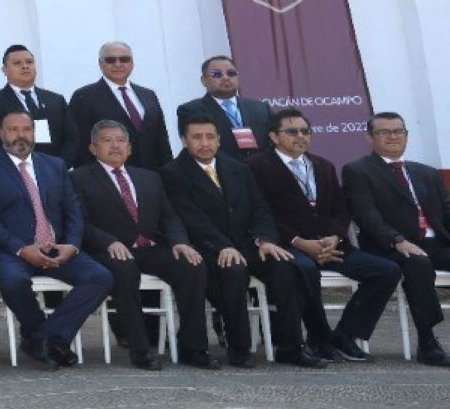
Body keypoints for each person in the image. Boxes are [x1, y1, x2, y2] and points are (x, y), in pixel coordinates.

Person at [162, 116, 323, 368]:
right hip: (208, 247)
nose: (204, 143)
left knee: (285, 266)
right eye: (197, 137)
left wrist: (266, 240)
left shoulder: (238, 167)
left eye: (210, 137)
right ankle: (239, 348)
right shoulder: (172, 173)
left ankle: (291, 347)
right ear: (184, 141)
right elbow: (189, 217)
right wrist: (221, 246)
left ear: (218, 140)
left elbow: (260, 208)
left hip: (247, 242)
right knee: (233, 271)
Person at [248, 107, 398, 363]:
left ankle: (346, 335)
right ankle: (319, 339)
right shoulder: (255, 167)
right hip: (289, 245)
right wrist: (299, 242)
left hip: (331, 246)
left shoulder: (324, 166)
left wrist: (334, 238)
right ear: (273, 136)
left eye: (305, 131)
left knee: (386, 271)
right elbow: (259, 212)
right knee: (304, 269)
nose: (300, 136)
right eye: (292, 131)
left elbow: (341, 210)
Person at [0, 110, 111, 368]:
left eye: (26, 129)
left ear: (34, 133)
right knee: (13, 281)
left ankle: (45, 338)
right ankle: (46, 337)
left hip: (56, 247)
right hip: (9, 250)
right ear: (1, 133)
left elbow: (73, 211)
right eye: (13, 129)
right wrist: (21, 249)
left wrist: (72, 245)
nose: (20, 135)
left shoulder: (54, 165)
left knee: (100, 276)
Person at [69, 120, 213, 370]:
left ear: (130, 148)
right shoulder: (78, 178)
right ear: (93, 148)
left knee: (192, 266)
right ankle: (140, 349)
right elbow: (79, 222)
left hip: (150, 247)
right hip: (109, 249)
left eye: (121, 140)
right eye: (106, 140)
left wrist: (180, 242)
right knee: (124, 270)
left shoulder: (149, 177)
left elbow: (169, 217)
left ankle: (193, 346)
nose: (115, 146)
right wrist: (108, 241)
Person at [344, 111, 450, 366]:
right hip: (390, 245)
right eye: (384, 132)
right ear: (369, 138)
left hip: (436, 242)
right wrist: (397, 239)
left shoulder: (426, 173)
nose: (392, 136)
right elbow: (367, 215)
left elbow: (446, 210)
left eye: (398, 131)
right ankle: (427, 342)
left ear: (406, 135)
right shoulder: (358, 171)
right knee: (417, 264)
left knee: (422, 258)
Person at [67, 42, 173, 171]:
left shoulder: (148, 95)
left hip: (151, 176)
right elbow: (80, 143)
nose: (118, 64)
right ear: (100, 64)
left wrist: (168, 173)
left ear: (132, 63)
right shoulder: (84, 96)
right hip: (107, 178)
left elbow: (161, 139)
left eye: (124, 59)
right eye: (111, 60)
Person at [0, 45, 75, 162]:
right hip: (16, 171)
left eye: (29, 62)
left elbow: (72, 138)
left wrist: (59, 166)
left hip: (56, 172)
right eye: (17, 63)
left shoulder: (56, 100)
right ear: (4, 70)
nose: (25, 66)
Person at [174, 56, 271, 160]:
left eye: (231, 73)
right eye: (217, 74)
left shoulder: (261, 108)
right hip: (221, 172)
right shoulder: (191, 110)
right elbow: (195, 148)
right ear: (204, 81)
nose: (225, 78)